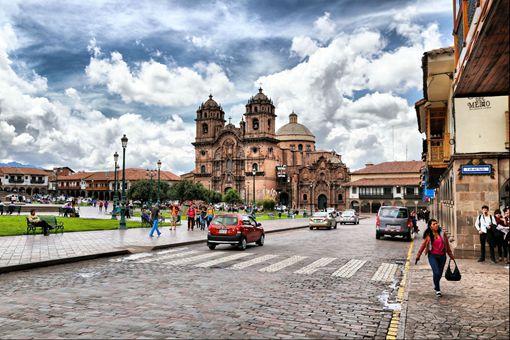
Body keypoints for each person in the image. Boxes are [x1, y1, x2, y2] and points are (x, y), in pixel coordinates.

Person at [415, 219, 455, 297]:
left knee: (439, 274)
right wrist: (418, 256)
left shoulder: (442, 234)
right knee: (436, 272)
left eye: (436, 223)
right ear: (430, 226)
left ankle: (436, 285)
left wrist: (451, 255)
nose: (436, 225)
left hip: (442, 256)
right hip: (432, 256)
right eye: (434, 224)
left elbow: (447, 245)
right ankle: (437, 289)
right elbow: (423, 245)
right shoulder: (428, 235)